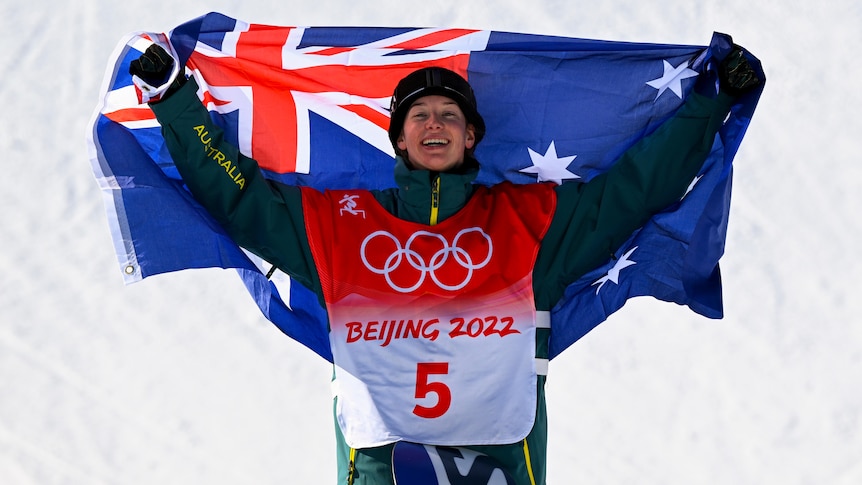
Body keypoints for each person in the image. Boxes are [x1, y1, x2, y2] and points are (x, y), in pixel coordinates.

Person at [130, 41, 760, 484]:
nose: (435, 124)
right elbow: (239, 197)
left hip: (503, 469)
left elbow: (636, 190)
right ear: (398, 137)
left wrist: (712, 102)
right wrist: (173, 99)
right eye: (420, 116)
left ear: (471, 137)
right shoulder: (336, 225)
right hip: (381, 470)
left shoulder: (531, 221)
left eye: (450, 116)